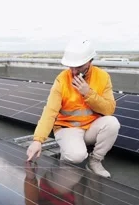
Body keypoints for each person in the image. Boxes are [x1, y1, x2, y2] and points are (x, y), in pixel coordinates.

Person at [26, 38, 120, 178]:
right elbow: (50, 111)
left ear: (90, 61)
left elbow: (109, 110)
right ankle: (63, 164)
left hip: (89, 129)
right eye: (71, 66)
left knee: (112, 123)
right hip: (67, 129)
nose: (74, 71)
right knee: (77, 156)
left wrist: (88, 93)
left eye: (79, 66)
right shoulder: (62, 80)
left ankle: (95, 162)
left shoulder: (103, 77)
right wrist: (37, 140)